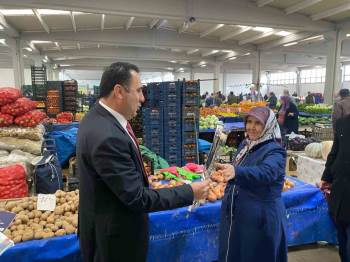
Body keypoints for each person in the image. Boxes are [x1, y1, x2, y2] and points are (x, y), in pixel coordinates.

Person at [77, 62, 210, 262]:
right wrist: (190, 191)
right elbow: (138, 198)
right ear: (119, 91)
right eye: (138, 91)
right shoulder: (107, 136)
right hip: (115, 243)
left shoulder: (97, 118)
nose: (143, 98)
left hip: (104, 226)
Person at [217, 106, 287, 262]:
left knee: (256, 255)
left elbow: (266, 172)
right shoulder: (246, 145)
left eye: (257, 123)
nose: (251, 127)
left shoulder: (275, 151)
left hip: (261, 219)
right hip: (241, 216)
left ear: (267, 125)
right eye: (249, 122)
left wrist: (237, 172)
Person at [319, 114, 350, 262]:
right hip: (340, 187)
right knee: (342, 234)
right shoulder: (343, 121)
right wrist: (326, 177)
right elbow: (334, 152)